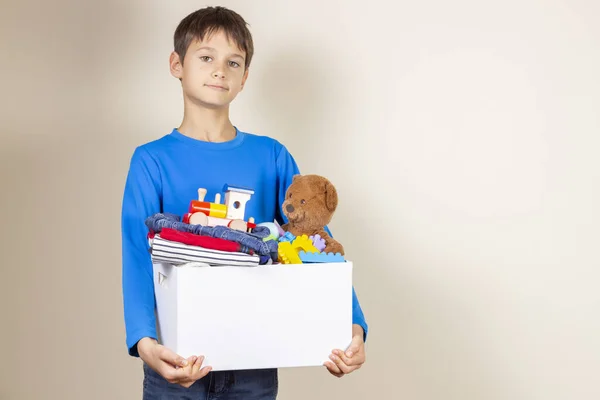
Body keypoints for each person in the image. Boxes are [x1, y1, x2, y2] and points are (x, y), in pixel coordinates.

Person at [121, 6, 368, 398]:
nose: (219, 70)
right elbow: (137, 254)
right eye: (206, 58)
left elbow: (316, 241)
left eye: (232, 62)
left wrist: (351, 326)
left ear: (244, 78)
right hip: (176, 359)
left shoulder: (271, 156)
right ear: (176, 64)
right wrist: (146, 343)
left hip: (253, 363)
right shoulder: (152, 160)